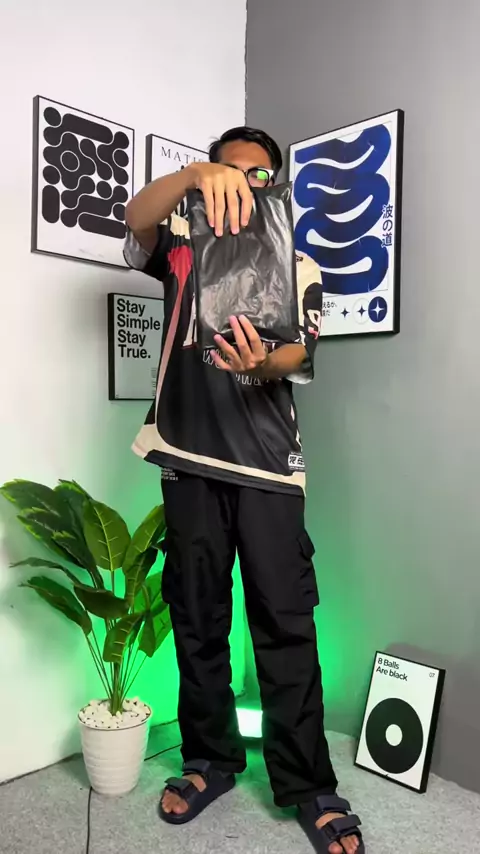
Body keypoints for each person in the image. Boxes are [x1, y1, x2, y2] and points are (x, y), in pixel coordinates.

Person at [124, 127, 365, 854]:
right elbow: (135, 216)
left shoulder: (298, 262)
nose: (241, 181)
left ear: (277, 185)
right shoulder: (180, 240)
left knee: (286, 624)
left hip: (268, 468)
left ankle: (308, 785)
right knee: (197, 620)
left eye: (258, 173)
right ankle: (211, 762)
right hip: (187, 456)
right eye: (228, 168)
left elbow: (298, 353)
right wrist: (192, 177)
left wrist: (262, 365)